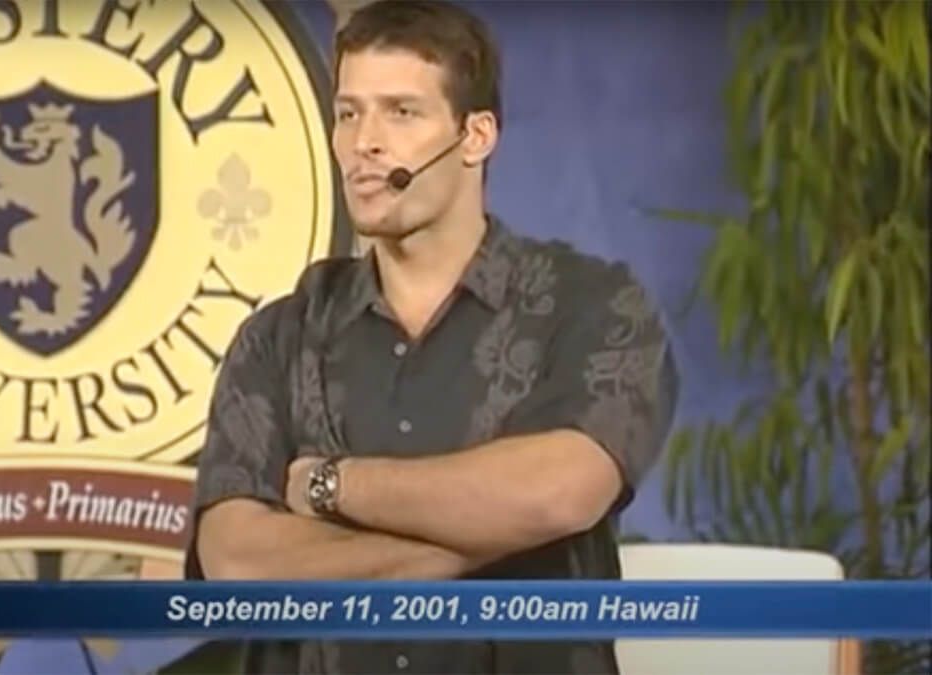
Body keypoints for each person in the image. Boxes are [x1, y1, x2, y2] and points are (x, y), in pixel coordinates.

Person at [185, 1, 679, 673]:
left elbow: (557, 493)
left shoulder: (591, 305)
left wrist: (328, 485)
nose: (365, 143)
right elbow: (239, 562)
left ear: (475, 136)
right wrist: (472, 542)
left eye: (401, 112)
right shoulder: (279, 337)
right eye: (349, 112)